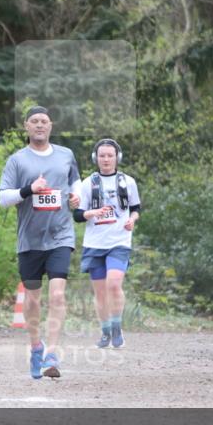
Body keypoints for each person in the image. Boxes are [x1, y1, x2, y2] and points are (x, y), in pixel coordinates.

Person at [0, 107, 81, 379]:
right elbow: (3, 198)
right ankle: (36, 346)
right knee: (33, 300)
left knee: (57, 294)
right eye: (34, 121)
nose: (39, 125)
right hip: (30, 240)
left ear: (51, 126)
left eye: (44, 121)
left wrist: (76, 197)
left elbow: (75, 181)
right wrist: (28, 190)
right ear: (26, 126)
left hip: (60, 235)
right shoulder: (17, 160)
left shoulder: (65, 155)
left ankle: (52, 353)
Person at [72, 139, 141, 349]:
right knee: (100, 291)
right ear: (96, 158)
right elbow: (77, 215)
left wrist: (132, 220)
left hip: (119, 241)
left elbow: (136, 208)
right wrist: (91, 213)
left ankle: (117, 326)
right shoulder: (87, 183)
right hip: (95, 244)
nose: (106, 159)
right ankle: (105, 331)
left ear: (117, 158)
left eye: (110, 155)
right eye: (102, 155)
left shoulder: (127, 182)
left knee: (114, 284)